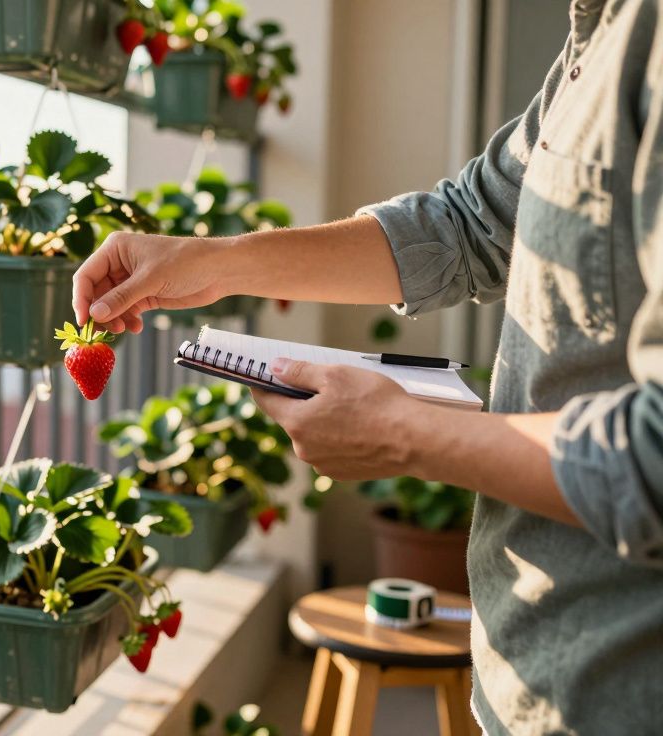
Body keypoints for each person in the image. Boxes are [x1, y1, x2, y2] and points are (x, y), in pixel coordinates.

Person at [73, 1, 663, 733]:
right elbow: (472, 222)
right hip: (531, 669)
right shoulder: (599, 34)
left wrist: (406, 434)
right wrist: (215, 261)